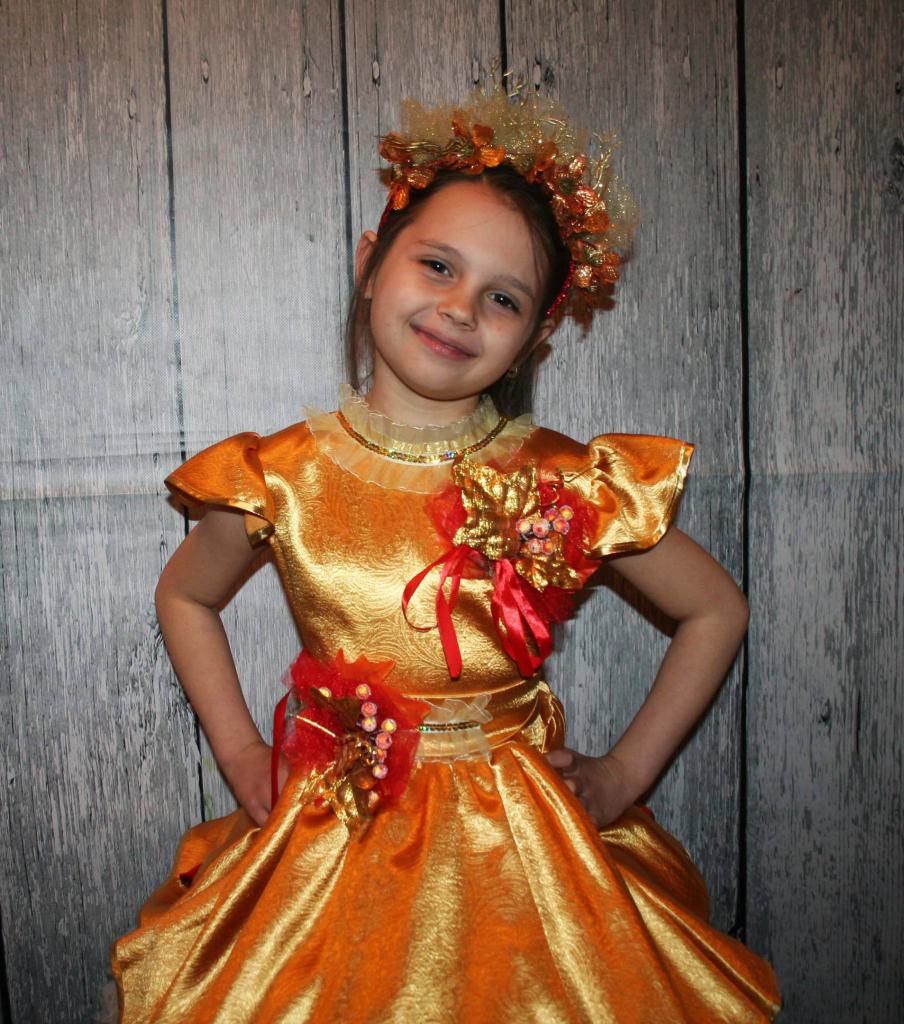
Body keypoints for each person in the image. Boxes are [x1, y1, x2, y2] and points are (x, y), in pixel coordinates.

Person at [111, 88, 780, 1022]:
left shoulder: (562, 477)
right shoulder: (284, 475)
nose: (459, 308)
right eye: (436, 265)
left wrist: (625, 776)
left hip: (523, 859)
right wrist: (240, 751)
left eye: (502, 298)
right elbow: (186, 595)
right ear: (369, 266)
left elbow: (716, 609)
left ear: (535, 334)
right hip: (337, 836)